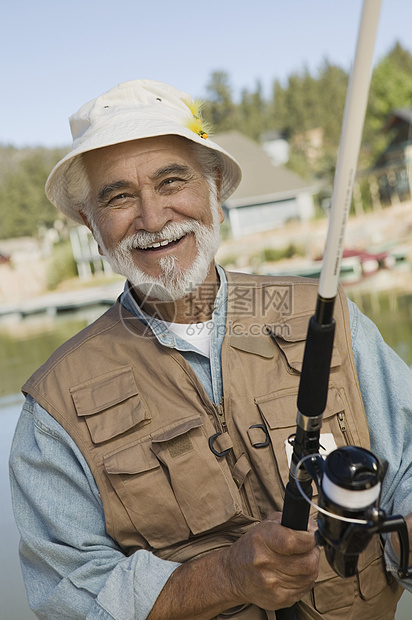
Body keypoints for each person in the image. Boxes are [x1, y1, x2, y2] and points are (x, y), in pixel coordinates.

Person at [9, 79, 412, 620]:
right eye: (119, 197)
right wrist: (223, 578)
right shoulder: (52, 409)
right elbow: (68, 593)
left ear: (215, 185)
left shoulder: (329, 316)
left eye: (171, 181)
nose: (153, 219)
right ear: (89, 221)